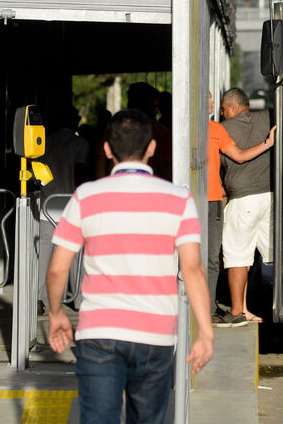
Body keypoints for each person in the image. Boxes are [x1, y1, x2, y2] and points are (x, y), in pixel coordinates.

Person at [47, 110, 213, 424]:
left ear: (107, 149)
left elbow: (57, 269)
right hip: (156, 335)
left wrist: (56, 314)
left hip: (99, 333)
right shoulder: (179, 199)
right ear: (152, 147)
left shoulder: (85, 197)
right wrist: (205, 332)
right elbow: (192, 270)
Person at [206, 91, 276, 322]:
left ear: (232, 107)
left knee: (237, 257)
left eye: (223, 109)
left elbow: (232, 159)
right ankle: (272, 307)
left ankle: (236, 311)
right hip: (271, 197)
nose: (222, 113)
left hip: (243, 200)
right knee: (275, 254)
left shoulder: (221, 128)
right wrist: (267, 143)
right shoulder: (270, 117)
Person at [38, 106, 90, 310]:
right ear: (75, 121)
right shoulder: (81, 144)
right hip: (72, 205)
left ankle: (41, 299)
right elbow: (81, 173)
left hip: (47, 205)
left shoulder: (45, 142)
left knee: (45, 255)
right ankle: (78, 299)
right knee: (77, 254)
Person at [127, 82, 172, 180]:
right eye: (156, 106)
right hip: (155, 186)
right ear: (147, 104)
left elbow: (100, 162)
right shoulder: (160, 131)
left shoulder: (115, 128)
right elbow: (167, 167)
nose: (157, 112)